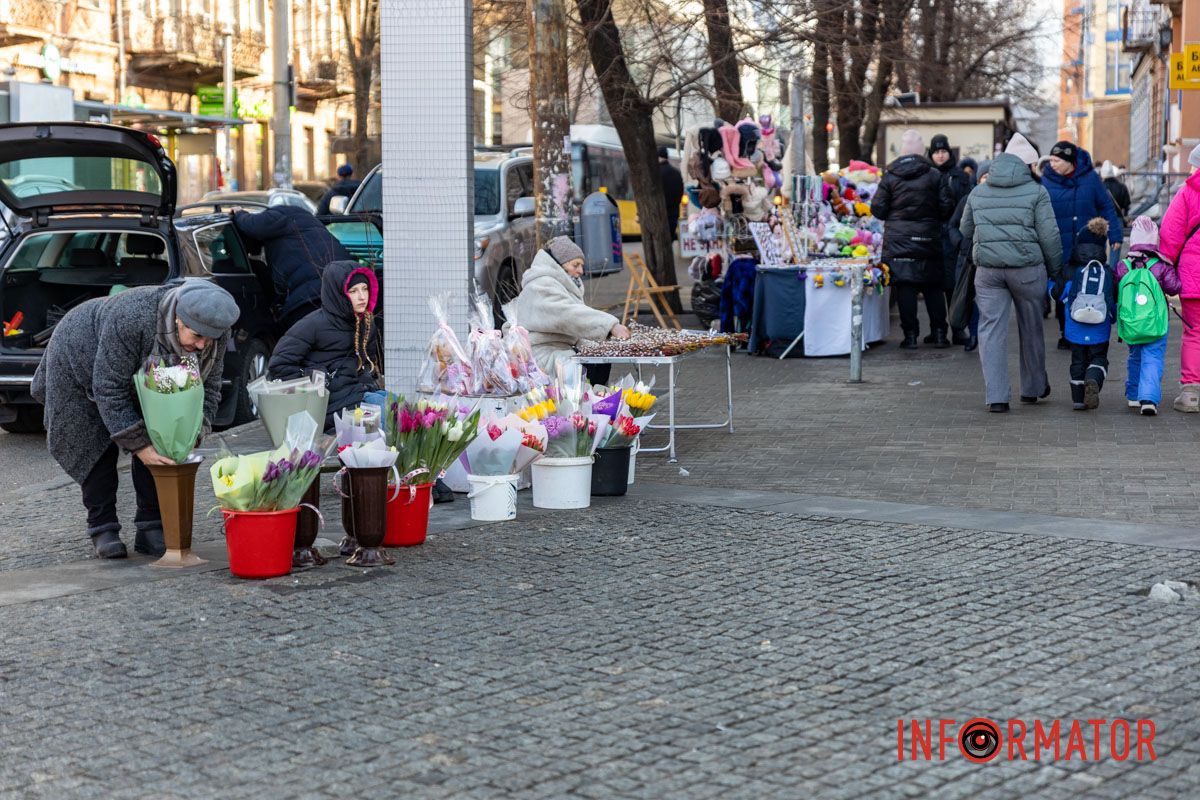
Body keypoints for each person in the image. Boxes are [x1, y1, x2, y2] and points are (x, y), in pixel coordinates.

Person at [30, 280, 240, 559]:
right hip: (80, 361)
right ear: (178, 318)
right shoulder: (134, 316)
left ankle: (151, 526)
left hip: (146, 373)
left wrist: (194, 431)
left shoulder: (215, 330)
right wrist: (139, 447)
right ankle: (103, 527)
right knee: (93, 446)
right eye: (196, 335)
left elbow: (209, 387)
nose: (202, 346)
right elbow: (108, 388)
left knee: (163, 438)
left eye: (209, 339)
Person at [959, 132, 1064, 413]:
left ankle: (996, 397)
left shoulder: (978, 191)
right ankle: (1032, 388)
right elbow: (1050, 236)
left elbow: (965, 230)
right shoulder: (1037, 192)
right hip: (1028, 270)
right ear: (1028, 164)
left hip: (988, 272)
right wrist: (1056, 270)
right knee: (1031, 327)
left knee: (991, 329)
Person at [267, 260, 383, 430]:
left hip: (356, 395)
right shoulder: (312, 325)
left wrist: (367, 382)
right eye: (353, 291)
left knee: (398, 406)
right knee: (388, 415)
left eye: (365, 289)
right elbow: (279, 365)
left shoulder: (365, 323)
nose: (362, 296)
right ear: (339, 293)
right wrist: (313, 378)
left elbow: (367, 365)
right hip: (326, 406)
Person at [871, 129, 954, 348]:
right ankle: (939, 334)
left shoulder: (890, 176)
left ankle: (910, 337)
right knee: (933, 287)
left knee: (905, 288)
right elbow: (946, 208)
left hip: (899, 242)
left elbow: (877, 209)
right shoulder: (935, 175)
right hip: (928, 239)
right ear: (922, 149)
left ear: (902, 149)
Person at [507, 236, 630, 381]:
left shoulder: (559, 283)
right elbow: (568, 315)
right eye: (575, 265)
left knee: (601, 360)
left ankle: (595, 400)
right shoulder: (541, 285)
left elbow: (574, 325)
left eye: (581, 266)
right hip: (540, 355)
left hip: (560, 348)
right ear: (559, 265)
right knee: (586, 369)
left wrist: (602, 347)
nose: (581, 271)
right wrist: (610, 325)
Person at [1041, 140, 1125, 349]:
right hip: (1058, 244)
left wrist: (1115, 234)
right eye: (1051, 159)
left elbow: (1106, 206)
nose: (1052, 164)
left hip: (1087, 245)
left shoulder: (1090, 179)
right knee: (1064, 286)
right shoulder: (1046, 182)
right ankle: (1065, 332)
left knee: (1087, 283)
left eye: (1057, 160)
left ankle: (1090, 326)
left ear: (1070, 162)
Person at [231, 206, 353, 332]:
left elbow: (252, 225)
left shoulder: (277, 216)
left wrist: (239, 213)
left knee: (307, 340)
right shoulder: (308, 223)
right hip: (347, 287)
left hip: (312, 296)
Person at [1114, 216, 1181, 416]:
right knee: (1153, 357)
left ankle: (1133, 395)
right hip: (1156, 323)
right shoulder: (1160, 265)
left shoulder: (1124, 266)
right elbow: (1174, 287)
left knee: (1135, 357)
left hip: (1131, 323)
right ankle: (1149, 399)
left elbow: (1117, 287)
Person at [1054, 218, 1116, 410]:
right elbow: (1114, 299)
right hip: (1100, 327)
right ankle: (1093, 378)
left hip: (1074, 327)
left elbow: (1057, 293)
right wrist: (1113, 317)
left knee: (1078, 361)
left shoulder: (1070, 269)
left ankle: (1079, 400)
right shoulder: (1107, 272)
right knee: (1099, 358)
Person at [1157, 143, 1200, 413]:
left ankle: (1191, 394)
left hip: (1193, 276)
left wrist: (1164, 272)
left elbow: (1170, 236)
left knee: (1194, 332)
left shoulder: (1187, 193)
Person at [930, 134, 973, 345]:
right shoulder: (927, 175)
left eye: (943, 151)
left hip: (954, 237)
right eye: (936, 152)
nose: (940, 155)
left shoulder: (960, 177)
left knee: (954, 285)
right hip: (932, 236)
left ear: (949, 153)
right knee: (933, 285)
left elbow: (966, 204)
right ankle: (937, 329)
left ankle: (958, 328)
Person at [947, 162, 990, 351]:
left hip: (990, 258)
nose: (987, 181)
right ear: (978, 179)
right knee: (969, 298)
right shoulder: (967, 199)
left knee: (987, 299)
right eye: (984, 177)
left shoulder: (1001, 200)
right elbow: (953, 225)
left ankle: (984, 336)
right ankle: (973, 334)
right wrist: (961, 243)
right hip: (967, 258)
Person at [659, 146, 685, 242]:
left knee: (660, 241)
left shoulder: (656, 173)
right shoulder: (677, 173)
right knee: (669, 240)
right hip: (673, 212)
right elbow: (681, 193)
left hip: (660, 213)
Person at [1101, 160, 1131, 226]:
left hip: (1103, 220)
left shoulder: (1099, 187)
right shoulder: (1122, 186)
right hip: (1118, 218)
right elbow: (1127, 204)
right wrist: (1125, 215)